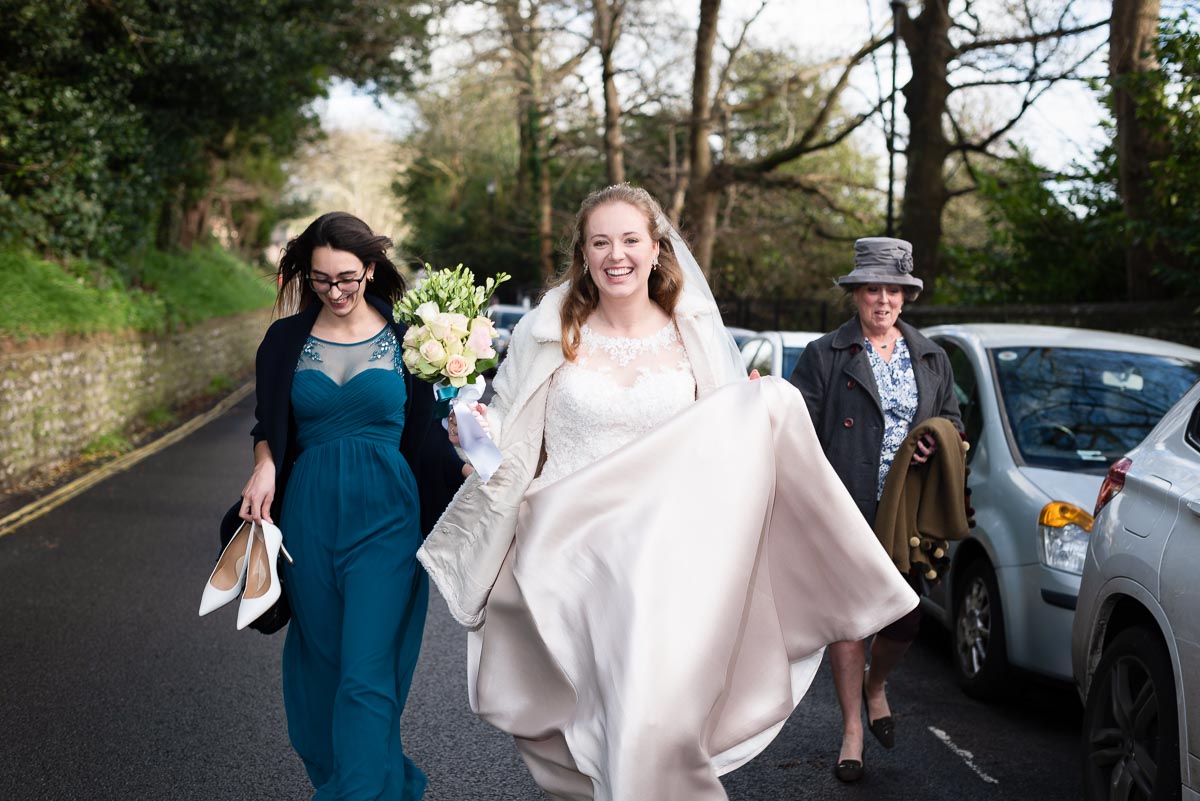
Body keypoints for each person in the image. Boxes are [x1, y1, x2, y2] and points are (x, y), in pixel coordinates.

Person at [419, 185, 921, 800]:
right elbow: (508, 439)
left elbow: (724, 438)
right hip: (570, 555)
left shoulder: (694, 334)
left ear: (656, 249)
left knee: (652, 717)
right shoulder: (550, 329)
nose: (616, 255)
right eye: (600, 242)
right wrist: (472, 435)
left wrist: (760, 408)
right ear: (582, 253)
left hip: (665, 563)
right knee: (593, 722)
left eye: (630, 240)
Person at [233, 211, 453, 800]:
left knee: (364, 673)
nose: (335, 291)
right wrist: (265, 462)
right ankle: (380, 783)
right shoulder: (284, 342)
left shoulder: (415, 339)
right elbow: (268, 424)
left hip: (388, 516)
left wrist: (471, 454)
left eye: (348, 278)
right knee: (322, 676)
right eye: (322, 279)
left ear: (371, 269)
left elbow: (431, 436)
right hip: (308, 516)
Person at [789, 237, 963, 783]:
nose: (882, 300)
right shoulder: (826, 354)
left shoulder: (931, 356)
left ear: (905, 296)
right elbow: (796, 426)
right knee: (849, 620)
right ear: (856, 295)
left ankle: (876, 685)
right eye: (872, 290)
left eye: (892, 290)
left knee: (905, 618)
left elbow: (956, 423)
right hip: (846, 501)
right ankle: (851, 731)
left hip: (907, 512)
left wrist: (940, 440)